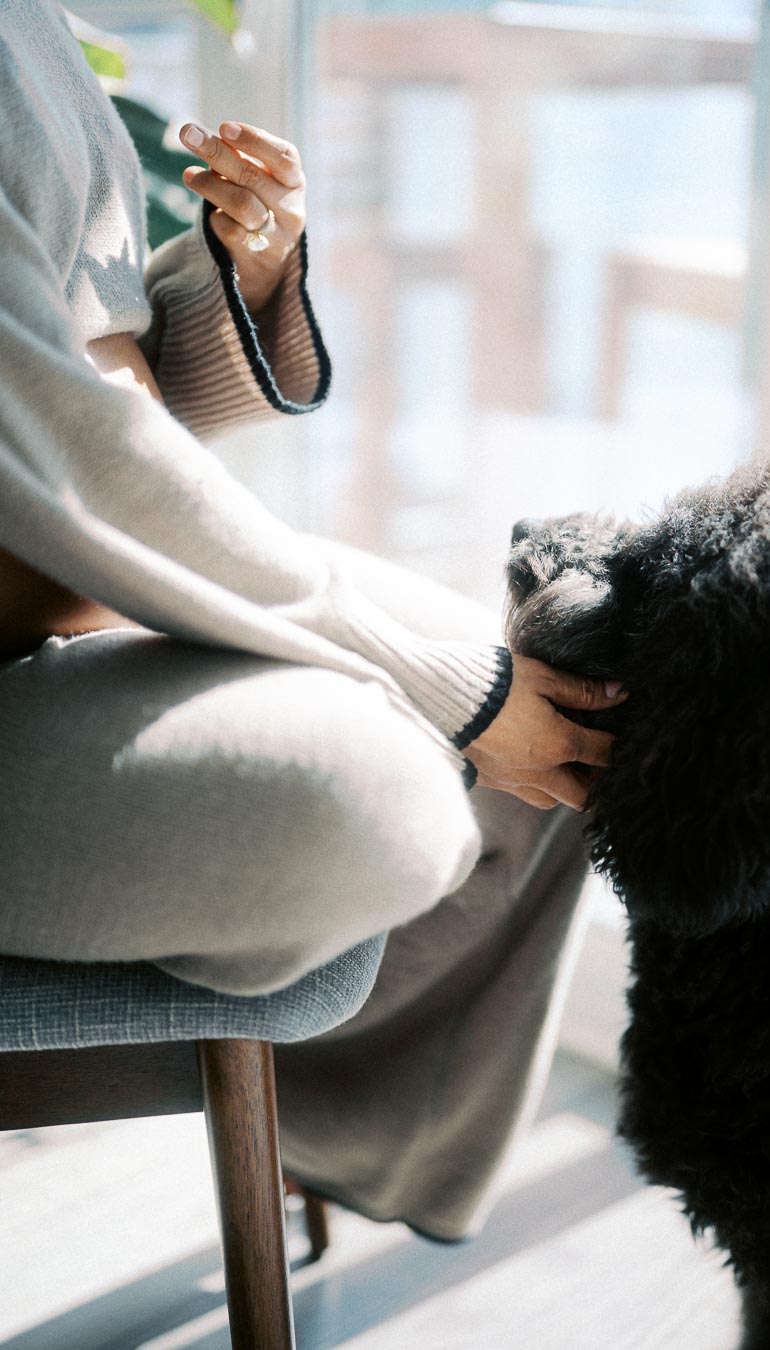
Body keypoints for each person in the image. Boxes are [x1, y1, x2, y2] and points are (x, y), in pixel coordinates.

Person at [0, 0, 621, 1238]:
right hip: (51, 619)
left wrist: (241, 276)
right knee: (400, 789)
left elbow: (89, 374)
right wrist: (442, 691)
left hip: (83, 601)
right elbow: (57, 451)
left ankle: (344, 1138)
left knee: (570, 695)